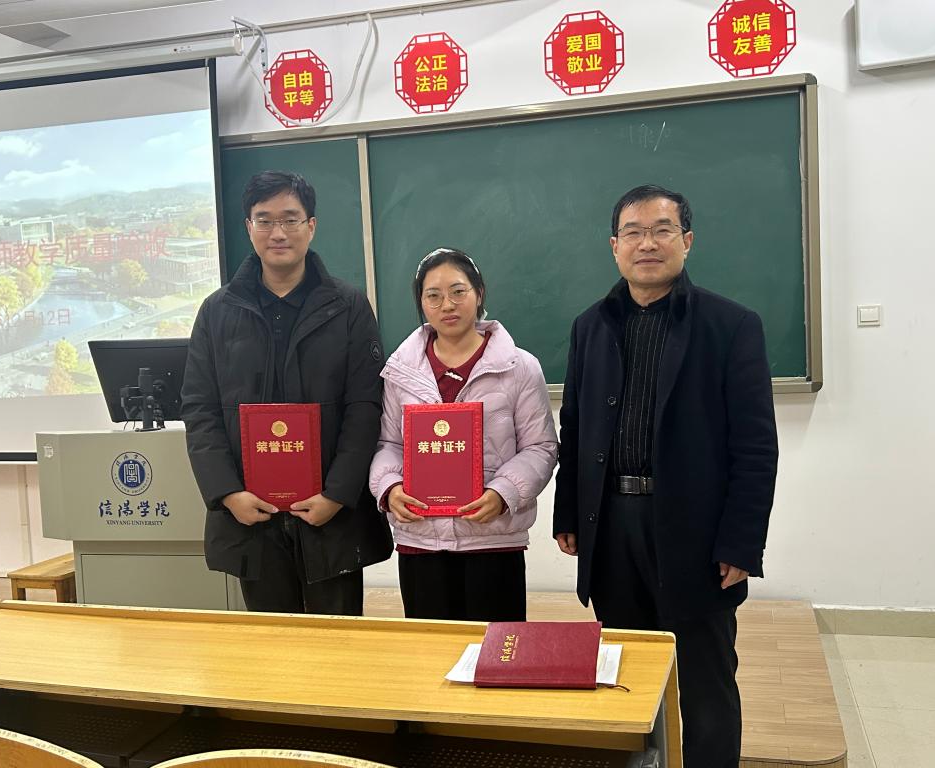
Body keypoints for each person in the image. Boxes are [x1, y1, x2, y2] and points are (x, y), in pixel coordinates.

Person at [552, 185, 778, 767]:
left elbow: (756, 448)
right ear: (614, 246)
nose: (646, 243)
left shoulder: (731, 325)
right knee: (626, 674)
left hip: (695, 532)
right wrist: (568, 513)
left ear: (687, 240)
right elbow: (575, 428)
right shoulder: (590, 326)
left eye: (661, 230)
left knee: (705, 680)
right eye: (633, 232)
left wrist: (741, 542)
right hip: (613, 526)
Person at [181, 170, 392, 615]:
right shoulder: (217, 312)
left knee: (338, 644)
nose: (278, 232)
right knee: (272, 646)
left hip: (329, 517)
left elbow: (365, 406)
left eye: (290, 219)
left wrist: (337, 494)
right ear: (249, 227)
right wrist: (228, 493)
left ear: (310, 226)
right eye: (265, 220)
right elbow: (199, 409)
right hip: (251, 515)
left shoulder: (348, 307)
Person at [369, 248, 558, 622]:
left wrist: (503, 493)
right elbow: (388, 443)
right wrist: (389, 488)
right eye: (433, 295)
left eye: (458, 291)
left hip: (492, 538)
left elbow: (540, 446)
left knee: (496, 649)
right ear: (421, 303)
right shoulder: (401, 371)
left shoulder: (519, 367)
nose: (447, 305)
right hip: (421, 539)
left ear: (479, 293)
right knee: (431, 651)